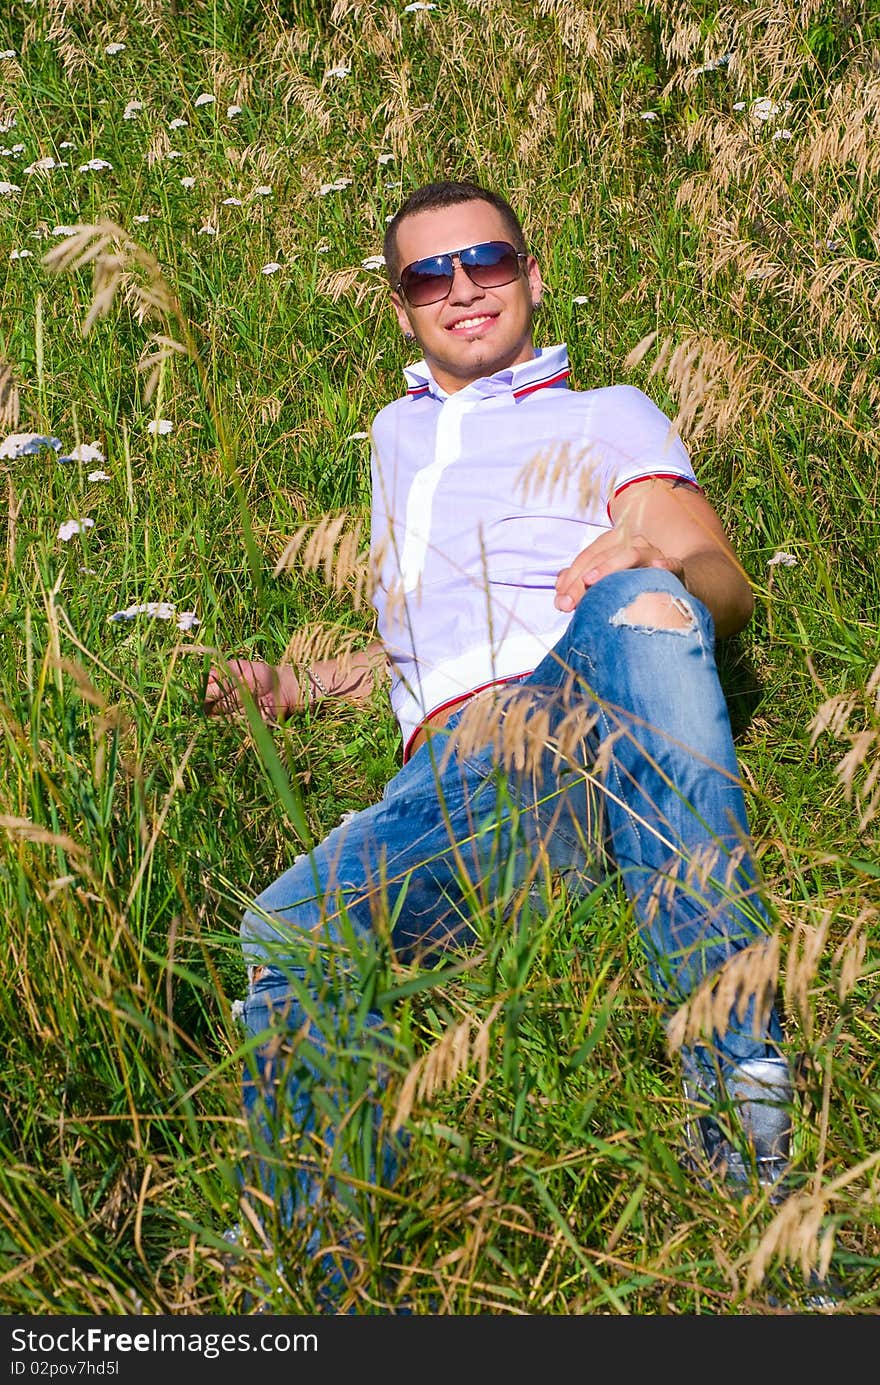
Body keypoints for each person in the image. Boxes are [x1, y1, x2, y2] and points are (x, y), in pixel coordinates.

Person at [205, 179, 793, 1300]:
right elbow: (434, 644)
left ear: (529, 273)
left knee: (645, 607)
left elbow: (716, 580)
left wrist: (648, 563)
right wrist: (308, 681)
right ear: (400, 305)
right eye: (431, 274)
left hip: (592, 703)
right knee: (285, 924)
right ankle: (315, 1261)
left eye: (486, 261)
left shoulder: (603, 409)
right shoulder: (394, 435)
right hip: (454, 781)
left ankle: (741, 1107)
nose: (462, 288)